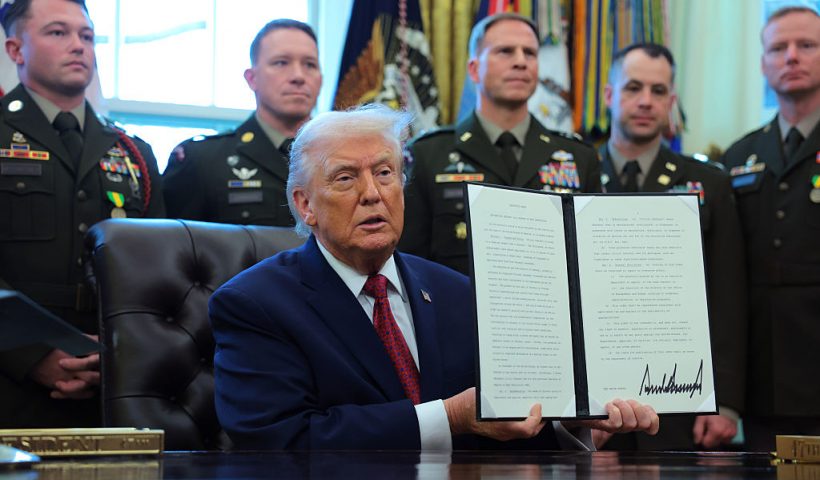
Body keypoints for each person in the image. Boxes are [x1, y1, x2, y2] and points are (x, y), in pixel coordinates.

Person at [209, 104, 659, 450]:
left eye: (385, 173)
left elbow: (497, 428)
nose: (372, 194)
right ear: (305, 204)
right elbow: (281, 442)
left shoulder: (457, 293)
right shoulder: (255, 304)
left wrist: (574, 428)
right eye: (346, 178)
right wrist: (451, 416)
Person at [0, 0, 165, 427]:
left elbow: (162, 273)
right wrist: (31, 353)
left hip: (115, 378)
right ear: (16, 50)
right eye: (58, 33)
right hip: (9, 378)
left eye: (87, 36)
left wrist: (119, 353)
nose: (78, 46)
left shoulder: (132, 152)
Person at [595, 43, 747, 451]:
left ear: (672, 101)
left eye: (658, 91)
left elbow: (728, 294)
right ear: (609, 95)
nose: (646, 101)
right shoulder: (577, 177)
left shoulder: (707, 183)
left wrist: (727, 402)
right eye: (633, 87)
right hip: (591, 404)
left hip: (680, 402)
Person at [400, 13, 601, 275]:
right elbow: (411, 265)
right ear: (474, 69)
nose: (520, 62)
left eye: (529, 53)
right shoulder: (428, 155)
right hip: (459, 312)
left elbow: (591, 263)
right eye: (505, 51)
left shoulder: (578, 157)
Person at [721, 6, 820, 452]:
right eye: (778, 48)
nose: (791, 57)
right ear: (763, 63)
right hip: (766, 376)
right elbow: (726, 281)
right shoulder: (740, 155)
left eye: (807, 46)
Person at [162, 19, 321, 227]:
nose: (299, 76)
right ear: (252, 79)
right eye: (281, 63)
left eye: (310, 64)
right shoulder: (202, 161)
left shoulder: (342, 157)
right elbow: (173, 250)